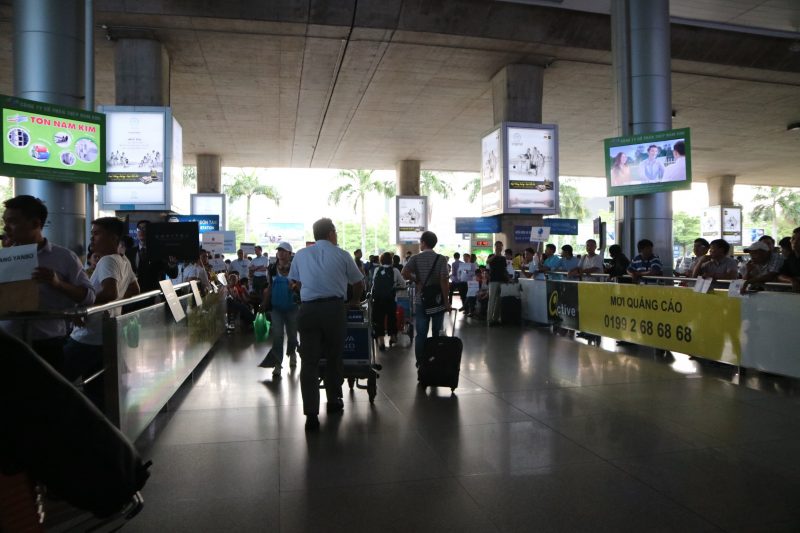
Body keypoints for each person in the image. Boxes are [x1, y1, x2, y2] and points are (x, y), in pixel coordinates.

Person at [0, 195, 95, 373]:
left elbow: (89, 297)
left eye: (12, 222)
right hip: (7, 341)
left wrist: (58, 284)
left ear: (36, 223)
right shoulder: (3, 256)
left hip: (47, 344)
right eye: (5, 221)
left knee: (46, 398)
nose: (6, 228)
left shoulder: (64, 257)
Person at [288, 218, 363, 431]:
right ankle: (333, 401)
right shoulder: (342, 254)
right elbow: (358, 282)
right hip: (334, 310)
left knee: (309, 362)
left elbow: (295, 281)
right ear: (331, 233)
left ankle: (311, 413)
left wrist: (307, 289)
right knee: (333, 357)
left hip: (308, 311)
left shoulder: (301, 255)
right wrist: (355, 301)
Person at [63, 217, 140, 410]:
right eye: (92, 234)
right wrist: (114, 306)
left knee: (57, 379)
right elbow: (134, 290)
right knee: (97, 389)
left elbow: (110, 292)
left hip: (87, 336)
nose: (92, 239)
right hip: (105, 335)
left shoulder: (106, 260)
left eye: (97, 234)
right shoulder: (124, 260)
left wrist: (82, 306)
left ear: (113, 237)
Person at [402, 231, 450, 365]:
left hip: (421, 300)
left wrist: (416, 280)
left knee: (421, 334)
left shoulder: (415, 258)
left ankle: (421, 362)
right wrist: (446, 302)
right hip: (437, 301)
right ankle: (434, 360)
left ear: (423, 242)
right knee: (436, 332)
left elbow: (404, 272)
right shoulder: (441, 259)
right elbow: (444, 281)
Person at [264, 242, 299, 377]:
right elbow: (270, 287)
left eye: (284, 251)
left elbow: (300, 284)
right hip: (276, 308)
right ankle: (277, 364)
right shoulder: (272, 268)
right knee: (277, 336)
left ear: (290, 254)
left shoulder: (295, 268)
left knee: (292, 335)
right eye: (279, 250)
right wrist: (264, 303)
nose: (281, 253)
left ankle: (292, 353)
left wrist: (295, 286)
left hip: (292, 307)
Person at [131, 220, 178, 292]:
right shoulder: (130, 252)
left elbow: (173, 275)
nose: (141, 231)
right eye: (139, 229)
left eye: (144, 228)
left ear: (151, 231)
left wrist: (172, 265)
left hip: (154, 296)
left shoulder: (159, 251)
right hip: (134, 295)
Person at [371, 252, 405, 351]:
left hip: (378, 300)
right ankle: (393, 337)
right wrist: (395, 286)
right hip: (390, 300)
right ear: (391, 261)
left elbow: (374, 283)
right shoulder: (395, 271)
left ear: (381, 260)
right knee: (391, 318)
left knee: (378, 319)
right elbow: (403, 284)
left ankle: (381, 340)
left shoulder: (377, 269)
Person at [485, 240, 508, 326]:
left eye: (500, 246)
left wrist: (508, 278)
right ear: (495, 247)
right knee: (492, 300)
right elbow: (487, 262)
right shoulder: (491, 256)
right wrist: (495, 255)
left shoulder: (503, 258)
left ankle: (496, 319)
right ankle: (489, 319)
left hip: (502, 280)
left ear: (502, 247)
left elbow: (504, 269)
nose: (499, 247)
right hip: (493, 280)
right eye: (497, 246)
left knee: (499, 301)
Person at [777, 227, 800, 292]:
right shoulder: (791, 257)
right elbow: (780, 276)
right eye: (793, 239)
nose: (795, 242)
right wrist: (791, 280)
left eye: (799, 239)